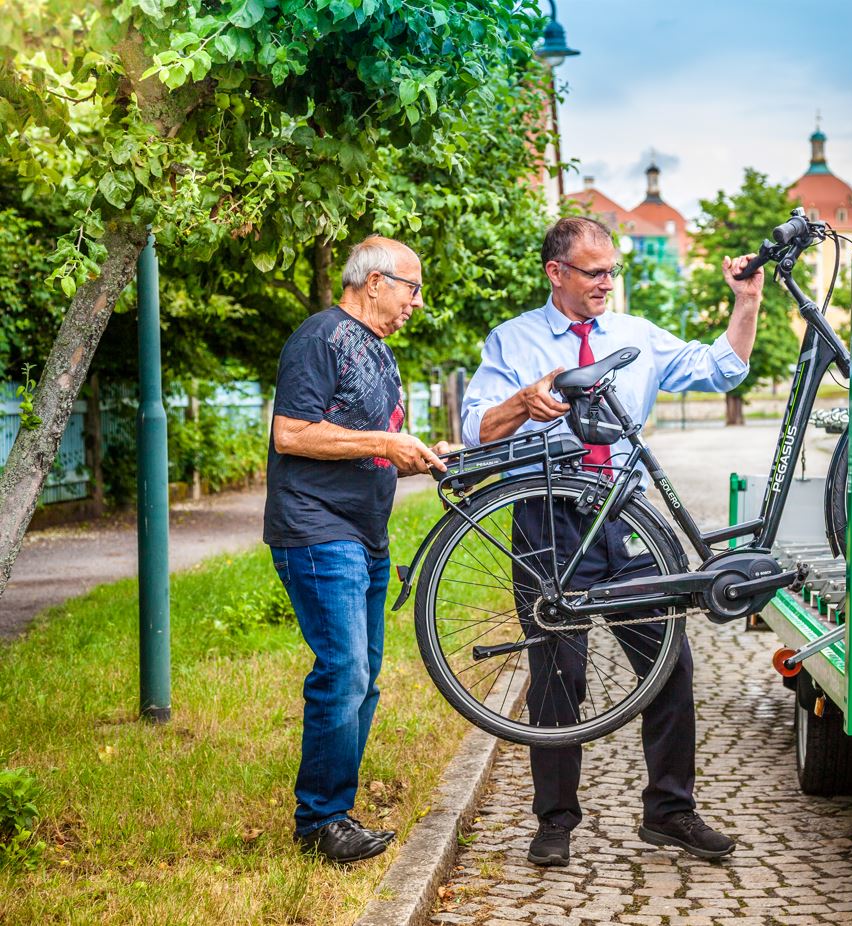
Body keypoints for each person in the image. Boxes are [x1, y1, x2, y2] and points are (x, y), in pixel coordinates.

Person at [461, 216, 763, 867]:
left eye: (611, 271)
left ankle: (670, 811)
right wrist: (523, 402)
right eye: (593, 271)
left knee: (667, 662)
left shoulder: (634, 336)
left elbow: (723, 370)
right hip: (546, 521)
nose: (606, 283)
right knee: (556, 677)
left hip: (623, 518)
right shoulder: (513, 340)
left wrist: (747, 301)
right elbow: (476, 427)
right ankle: (556, 820)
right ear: (555, 272)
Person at [264, 235, 450, 864]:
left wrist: (414, 456)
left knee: (363, 680)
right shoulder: (320, 338)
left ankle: (333, 812)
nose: (416, 303)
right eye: (412, 287)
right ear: (375, 282)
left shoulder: (379, 353)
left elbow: (367, 449)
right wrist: (383, 440)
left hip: (365, 535)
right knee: (343, 674)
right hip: (319, 531)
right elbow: (291, 434)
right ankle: (321, 822)